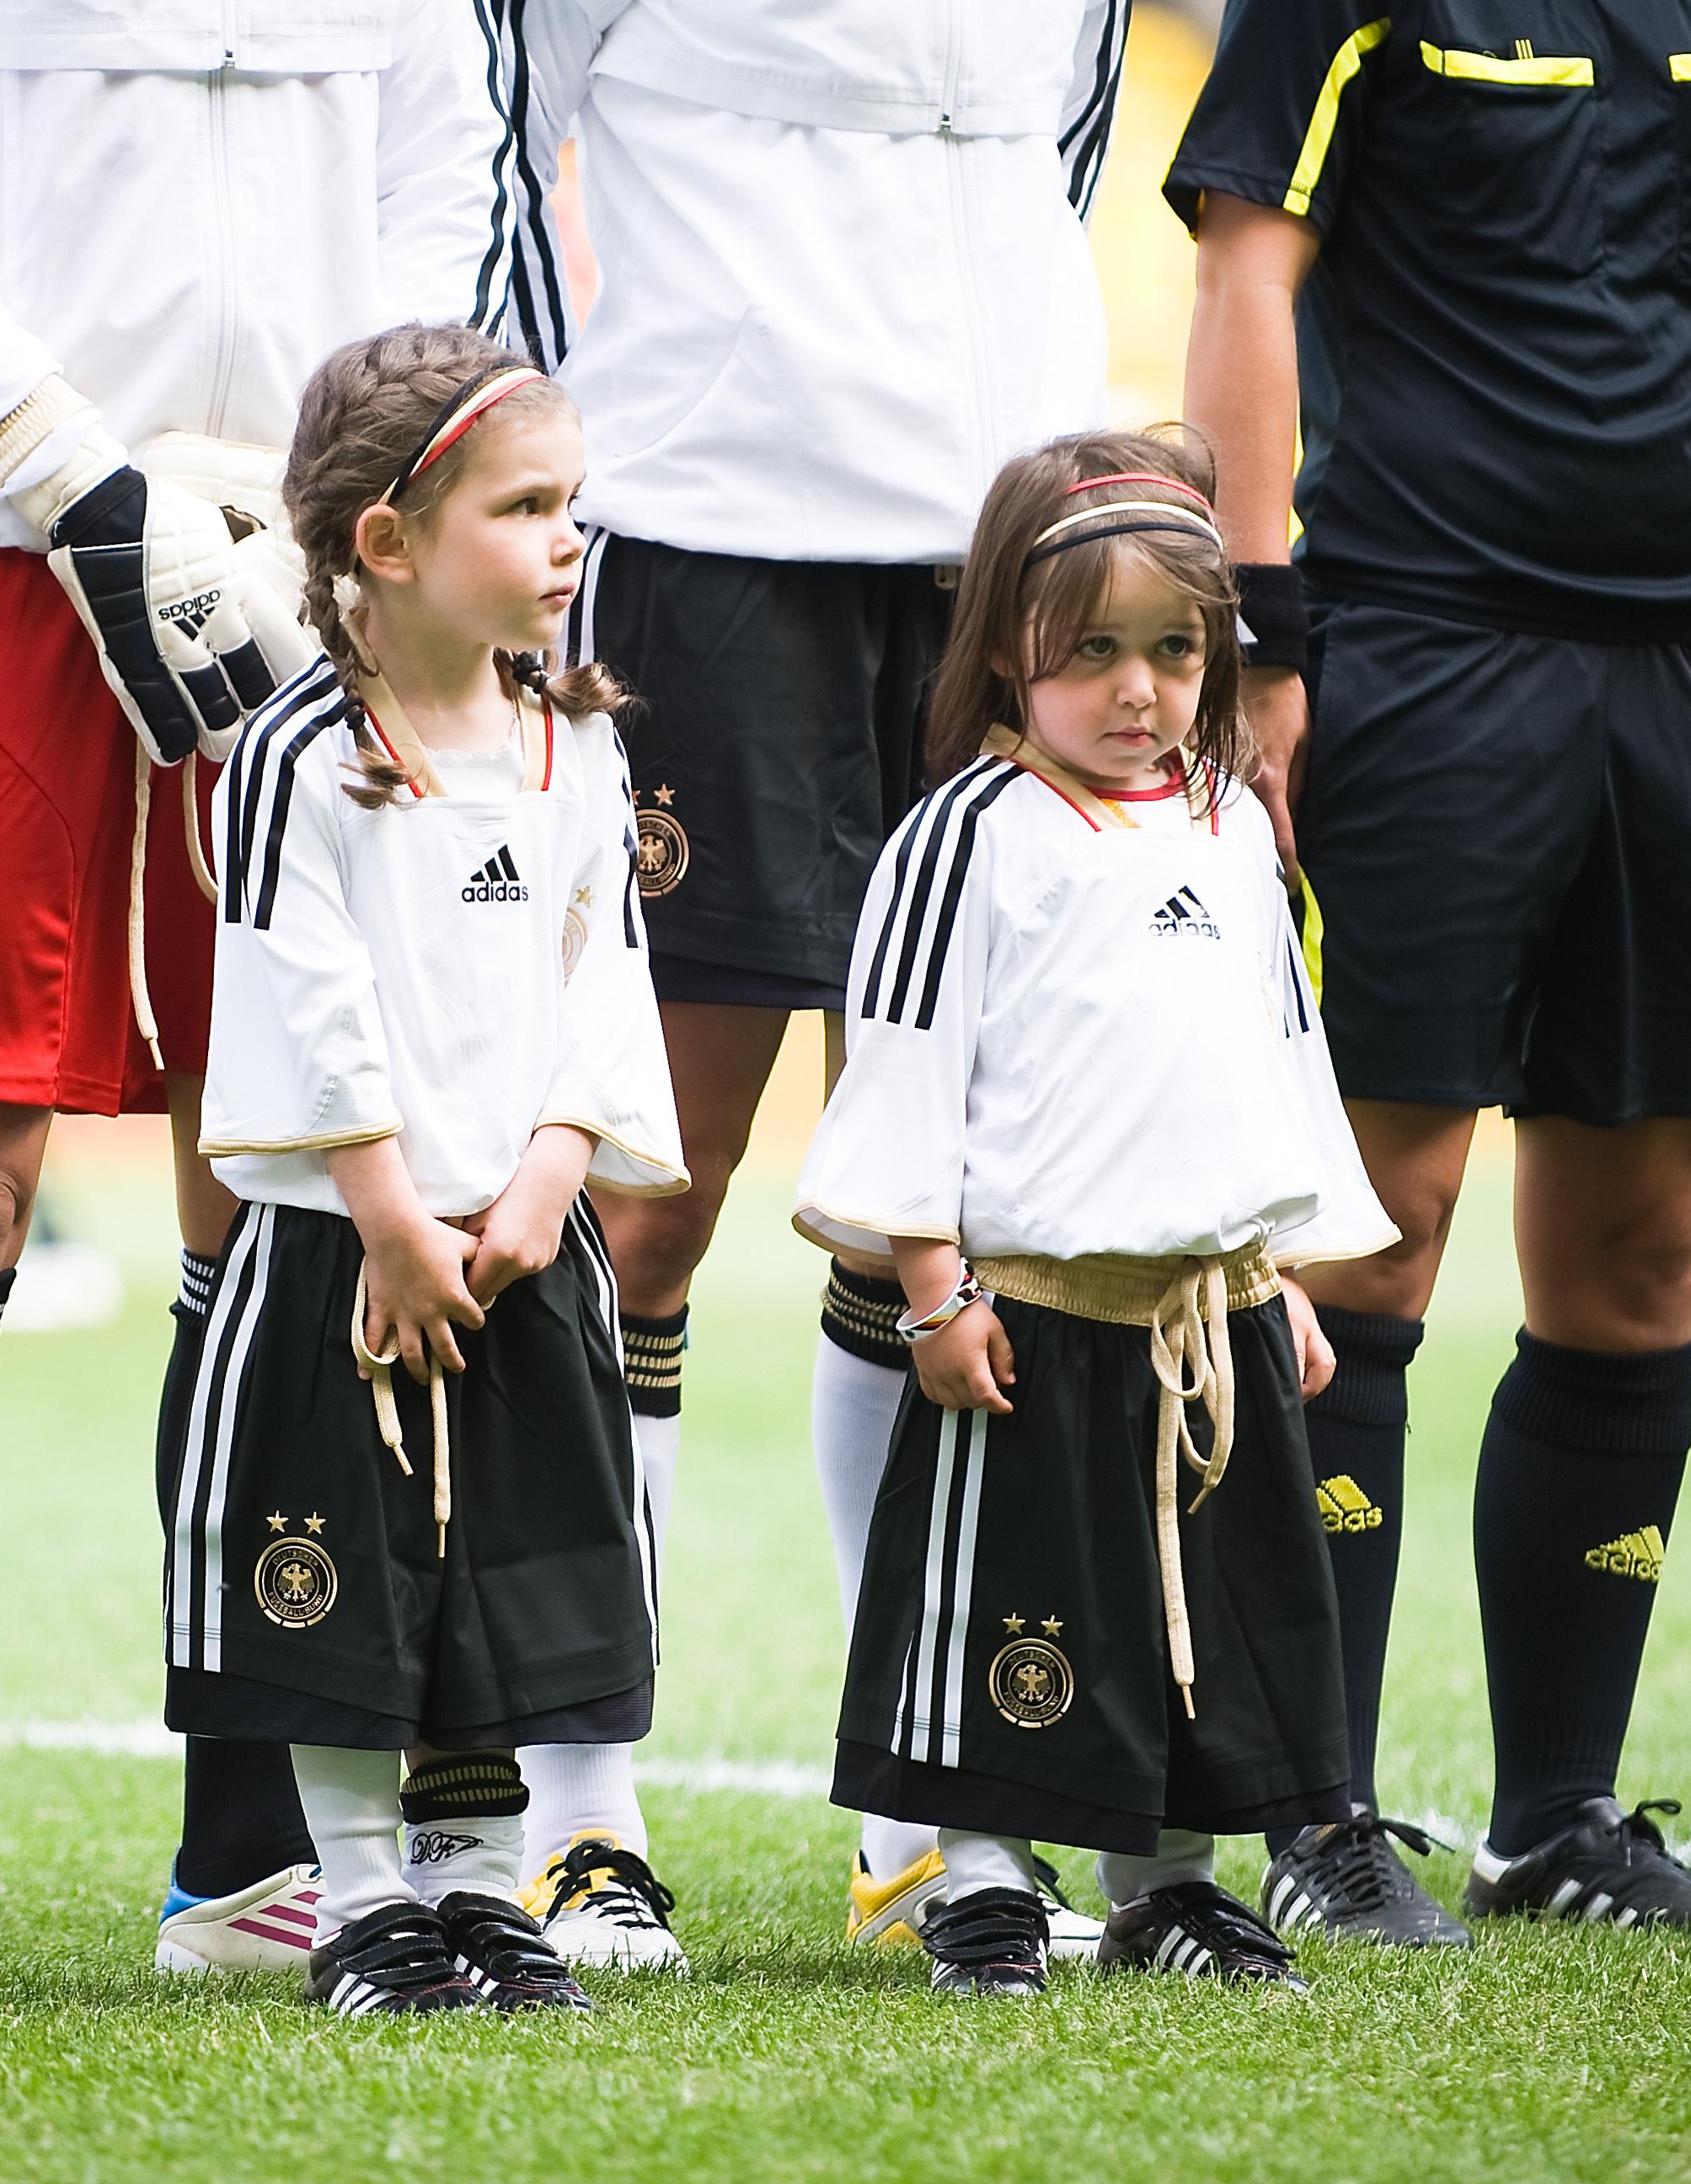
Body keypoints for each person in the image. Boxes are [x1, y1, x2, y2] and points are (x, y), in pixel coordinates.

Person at [0, 0, 501, 1996]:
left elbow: (461, 165)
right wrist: (72, 477)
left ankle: (247, 1848)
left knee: (269, 1193)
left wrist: (347, 496)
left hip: (300, 575)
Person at [1169, 0, 1691, 1940]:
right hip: (1421, 636)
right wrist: (1265, 629)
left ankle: (1553, 1822)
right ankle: (1315, 1813)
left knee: (1639, 1247)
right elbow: (1245, 260)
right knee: (1369, 1234)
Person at [477, 0, 1136, 1970]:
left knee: (956, 1198)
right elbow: (511, 143)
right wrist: (566, 469)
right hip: (710, 521)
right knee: (639, 1194)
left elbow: (1059, 148)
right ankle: (572, 1811)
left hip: (992, 552)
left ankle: (925, 1811)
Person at [799, 431, 1383, 1997]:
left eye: (1178, 651)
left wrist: (1279, 1275)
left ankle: (1168, 1886)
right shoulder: (971, 837)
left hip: (1208, 1313)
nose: (1141, 690)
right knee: (1022, 1613)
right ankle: (980, 1876)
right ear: (1006, 647)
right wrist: (932, 1288)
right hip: (1036, 1314)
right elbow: (906, 1072)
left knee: (1196, 1613)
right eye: (1097, 651)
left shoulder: (1234, 828)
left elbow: (1273, 1053)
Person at [181, 324, 682, 2015]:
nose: (567, 543)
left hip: (525, 1253)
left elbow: (599, 983)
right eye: (525, 506)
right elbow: (303, 999)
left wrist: (551, 1180)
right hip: (348, 1256)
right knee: (350, 1581)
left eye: (572, 505)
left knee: (500, 1579)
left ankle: (478, 1890)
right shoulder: (297, 758)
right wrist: (391, 1213)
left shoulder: (575, 751)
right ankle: (361, 1900)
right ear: (386, 543)